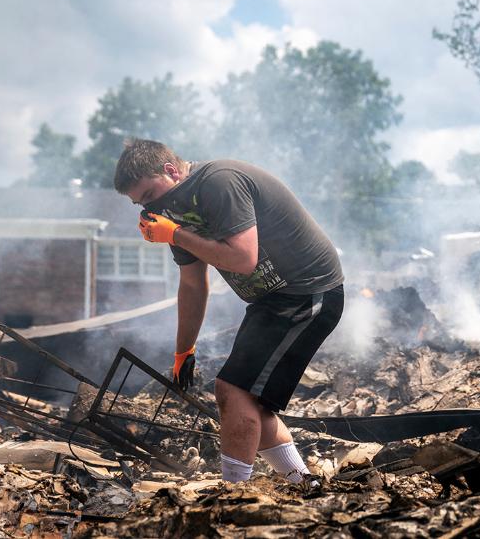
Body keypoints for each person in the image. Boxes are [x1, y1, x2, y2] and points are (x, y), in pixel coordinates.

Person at [113, 139, 344, 484]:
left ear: (171, 171)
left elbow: (243, 259)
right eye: (139, 203)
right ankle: (303, 484)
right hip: (270, 301)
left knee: (232, 392)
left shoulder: (218, 182)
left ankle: (232, 492)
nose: (149, 208)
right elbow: (192, 285)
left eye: (149, 195)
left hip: (307, 292)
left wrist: (176, 235)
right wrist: (183, 350)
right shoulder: (176, 214)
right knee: (248, 405)